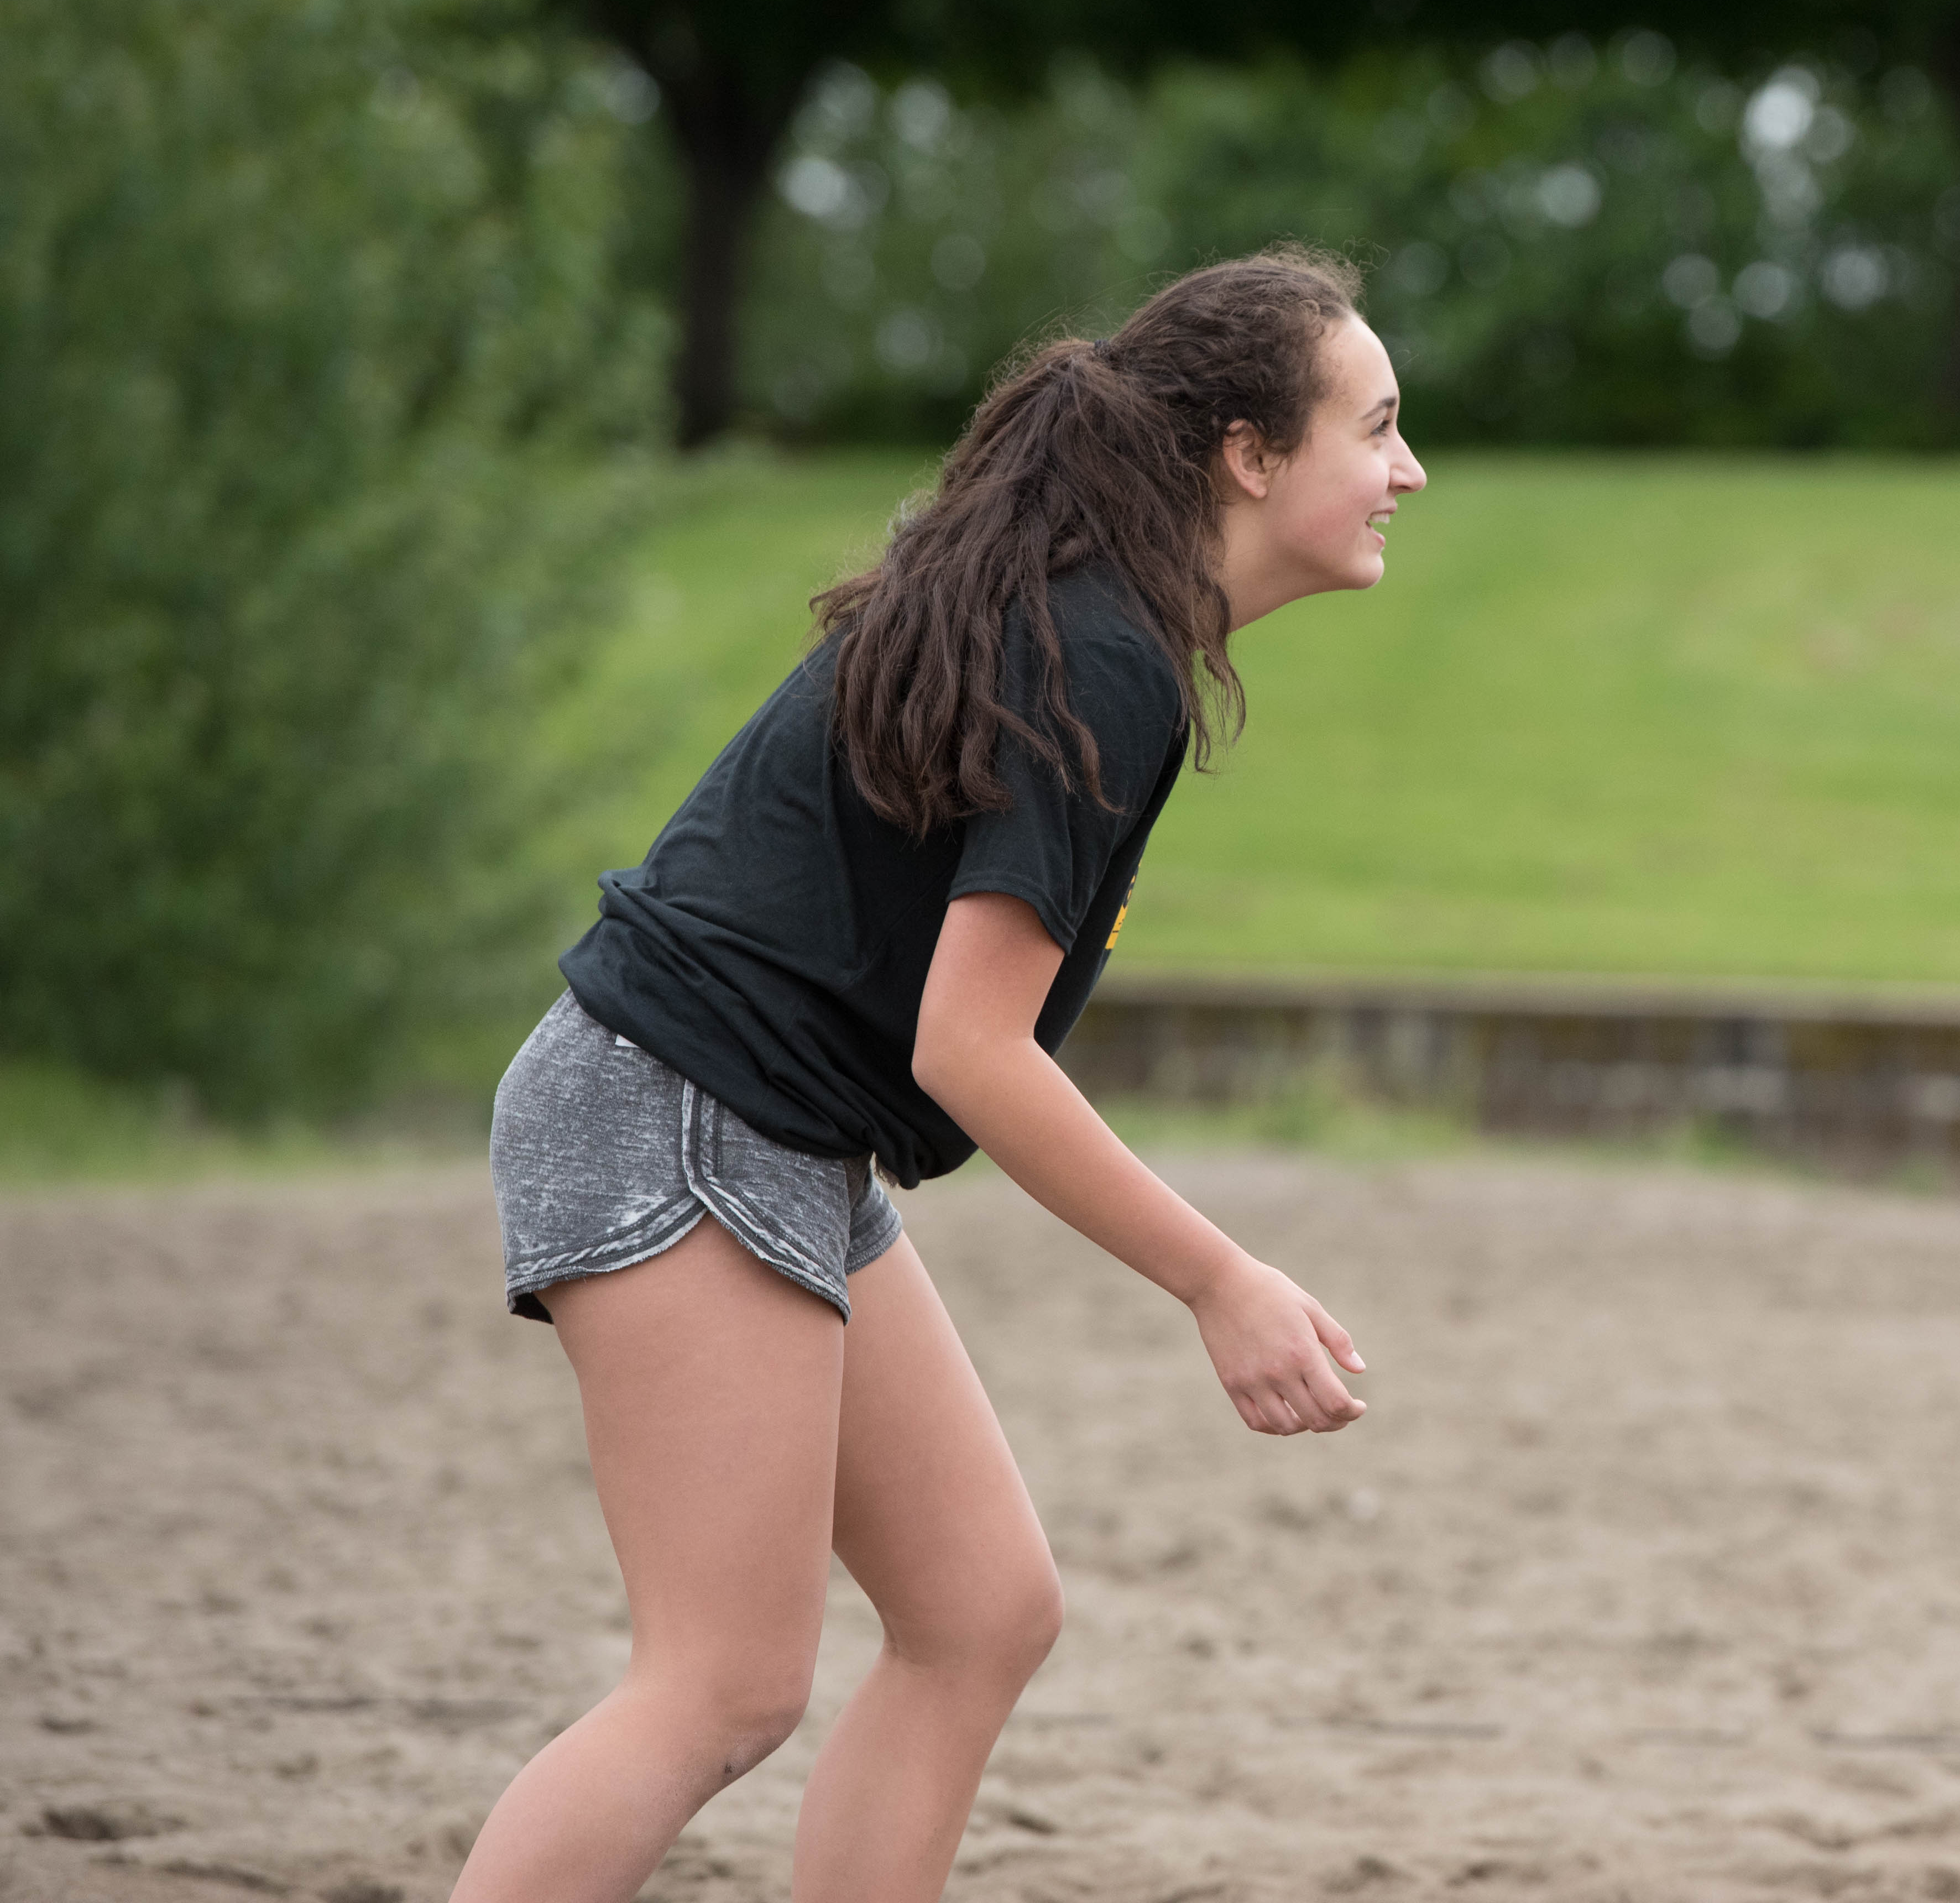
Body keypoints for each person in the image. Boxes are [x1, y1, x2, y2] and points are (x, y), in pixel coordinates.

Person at [462, 245, 1424, 1903]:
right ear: (1251, 456)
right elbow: (970, 1049)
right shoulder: (1100, 648)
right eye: (1379, 426)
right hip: (683, 1110)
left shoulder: (1101, 622)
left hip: (767, 1124)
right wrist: (1221, 1282)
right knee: (722, 1685)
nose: (1408, 471)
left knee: (982, 1613)